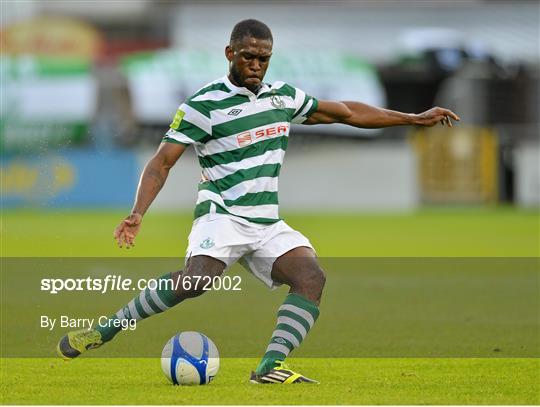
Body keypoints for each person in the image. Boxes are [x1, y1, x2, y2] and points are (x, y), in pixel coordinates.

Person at [57, 19, 459, 384]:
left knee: (311, 278)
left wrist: (412, 118)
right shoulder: (203, 105)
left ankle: (268, 368)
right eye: (248, 56)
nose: (256, 64)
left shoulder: (282, 98)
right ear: (230, 54)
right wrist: (137, 212)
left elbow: (347, 112)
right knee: (196, 281)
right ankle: (104, 330)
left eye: (263, 58)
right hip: (223, 215)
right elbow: (162, 162)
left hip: (266, 222)